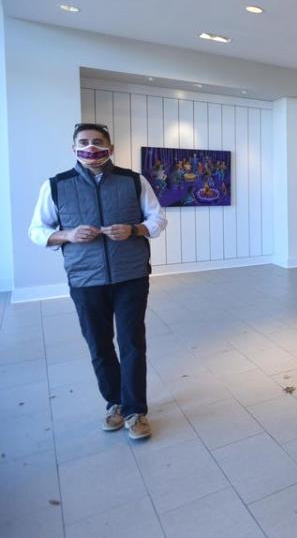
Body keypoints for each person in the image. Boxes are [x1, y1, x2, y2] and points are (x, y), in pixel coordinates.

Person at [29, 123, 167, 440]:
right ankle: (114, 403)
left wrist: (134, 230)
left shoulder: (134, 181)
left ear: (111, 147)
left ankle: (135, 412)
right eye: (84, 142)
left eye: (98, 142)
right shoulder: (55, 185)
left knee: (132, 343)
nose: (91, 147)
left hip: (131, 275)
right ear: (73, 147)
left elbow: (158, 219)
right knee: (100, 345)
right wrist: (68, 235)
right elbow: (37, 231)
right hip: (85, 279)